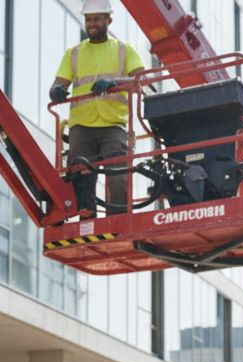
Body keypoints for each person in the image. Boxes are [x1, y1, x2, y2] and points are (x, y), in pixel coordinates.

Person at [48, 0, 144, 216]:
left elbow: (141, 82)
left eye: (97, 19)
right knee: (81, 178)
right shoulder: (73, 53)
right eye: (88, 20)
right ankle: (86, 222)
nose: (92, 24)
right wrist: (56, 91)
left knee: (118, 176)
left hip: (113, 124)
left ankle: (118, 220)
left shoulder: (123, 50)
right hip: (82, 126)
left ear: (108, 20)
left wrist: (114, 81)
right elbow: (57, 84)